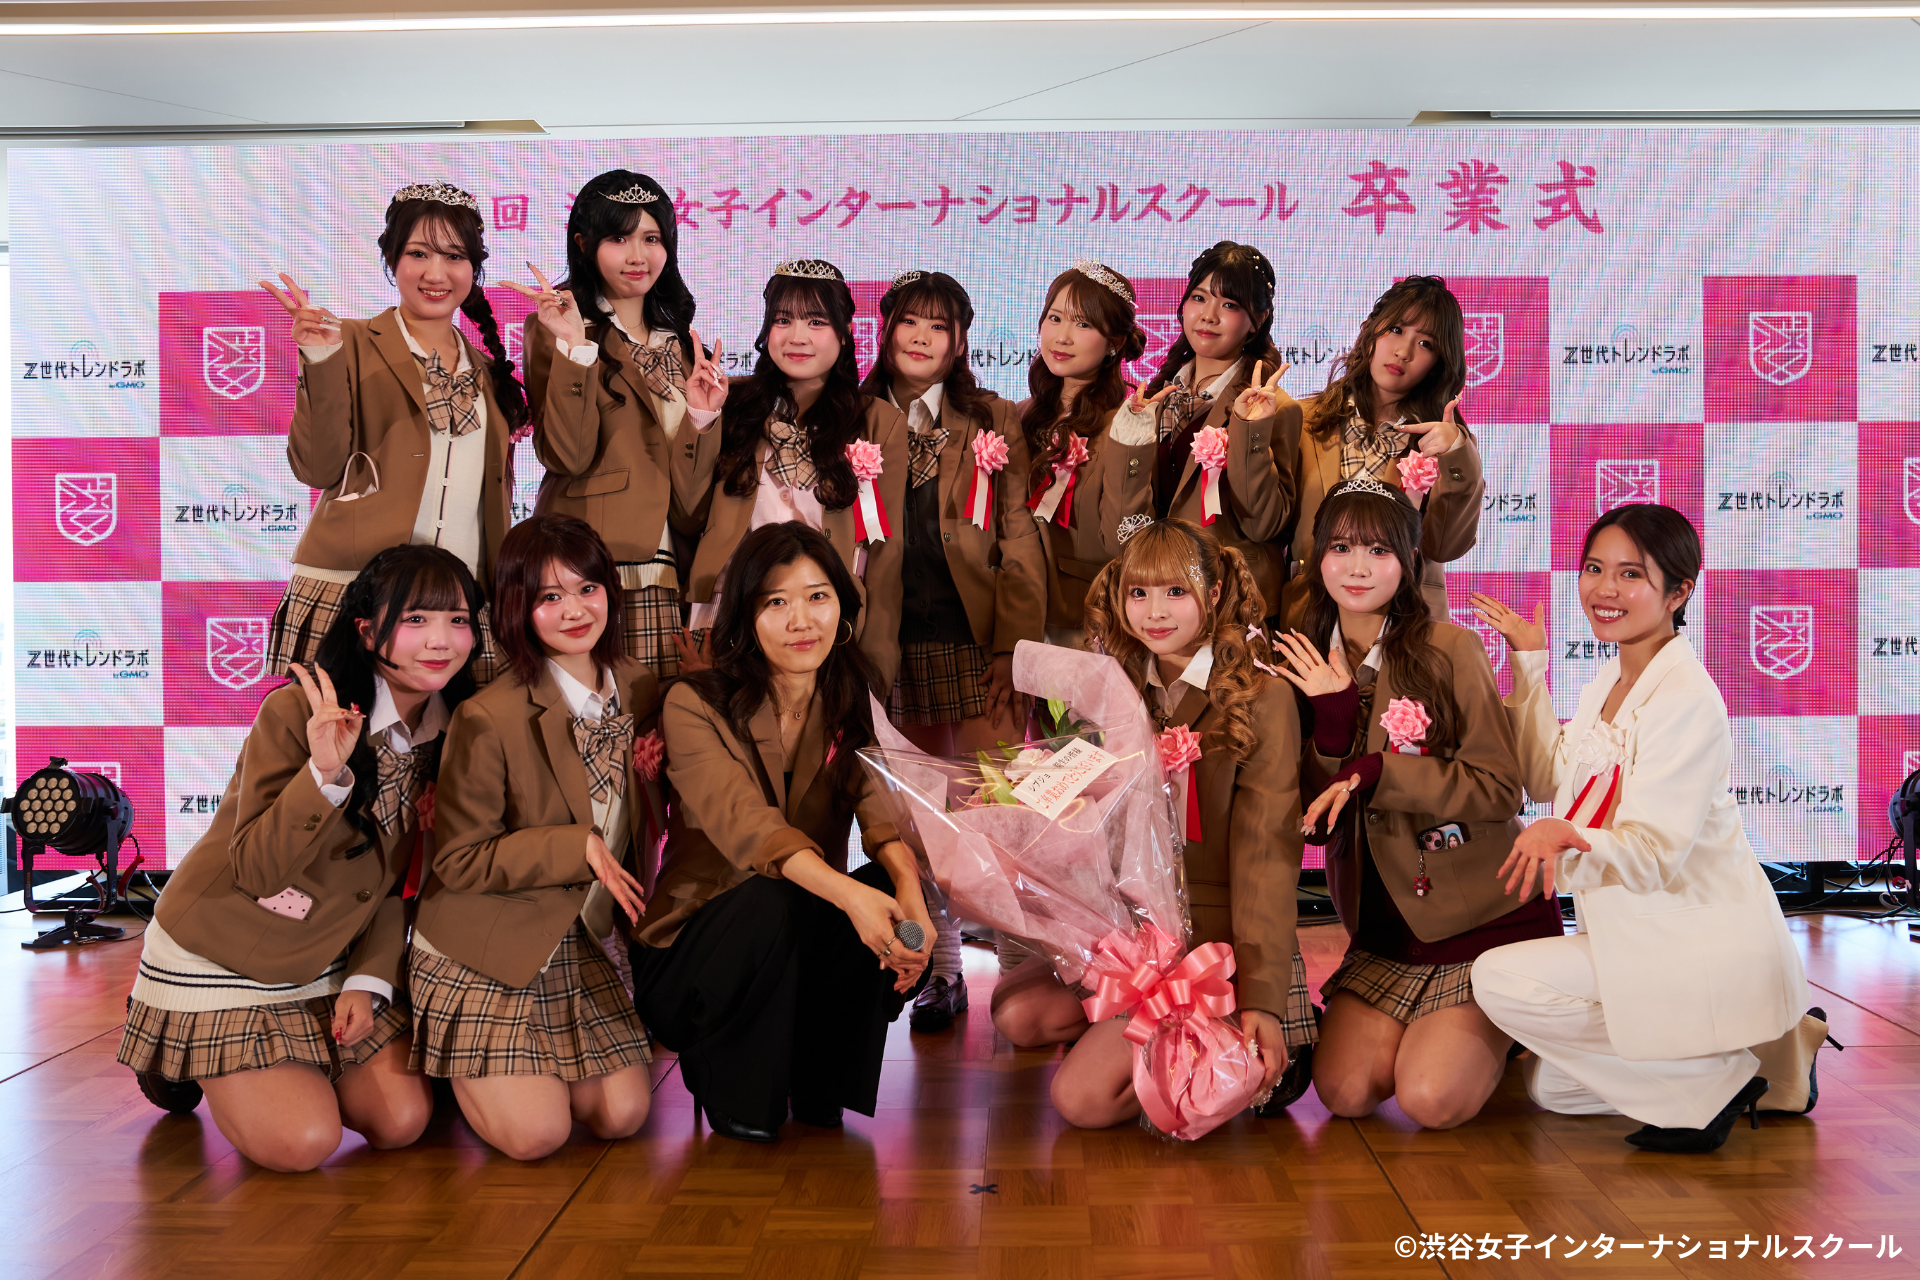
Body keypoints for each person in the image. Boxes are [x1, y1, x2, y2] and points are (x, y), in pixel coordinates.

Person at [116, 544, 480, 1171]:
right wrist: (324, 773)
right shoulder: (299, 713)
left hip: (328, 951)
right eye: (415, 619)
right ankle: (176, 1051)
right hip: (229, 946)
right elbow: (257, 871)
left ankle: (286, 1066)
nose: (440, 640)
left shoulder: (455, 731)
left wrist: (367, 981)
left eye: (459, 620)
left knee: (401, 1122)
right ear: (366, 630)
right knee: (303, 1143)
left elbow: (399, 885)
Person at [1469, 504, 1813, 1152]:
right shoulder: (1612, 677)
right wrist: (1531, 664)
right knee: (1554, 1090)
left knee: (1496, 978)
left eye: (1631, 574)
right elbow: (1546, 778)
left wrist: (1566, 837)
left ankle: (1719, 1081)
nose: (1605, 589)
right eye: (1594, 568)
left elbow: (1652, 855)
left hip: (1689, 940)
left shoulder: (1686, 700)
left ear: (1679, 592)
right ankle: (1742, 1065)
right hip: (1629, 934)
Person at [997, 518, 1316, 1126]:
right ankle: (1151, 1043)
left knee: (1080, 1102)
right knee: (1016, 1012)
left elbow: (1267, 857)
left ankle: (1243, 1047)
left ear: (1214, 593)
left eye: (1176, 591)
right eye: (1138, 593)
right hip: (1132, 934)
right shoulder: (1108, 688)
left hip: (1216, 940)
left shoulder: (1262, 696)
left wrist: (1264, 999)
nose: (1155, 612)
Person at [631, 521, 933, 1142]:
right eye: (776, 602)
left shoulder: (847, 698)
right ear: (746, 615)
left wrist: (911, 901)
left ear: (842, 607)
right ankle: (735, 1086)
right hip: (695, 950)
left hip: (793, 933)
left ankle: (820, 1080)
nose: (802, 621)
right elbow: (748, 825)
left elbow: (879, 813)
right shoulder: (694, 702)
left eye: (818, 596)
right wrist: (854, 901)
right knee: (779, 897)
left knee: (884, 888)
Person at [1274, 476, 1557, 1130]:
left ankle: (1512, 1025)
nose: (1358, 567)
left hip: (1481, 915)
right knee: (1344, 1093)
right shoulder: (1297, 654)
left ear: (1409, 563)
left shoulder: (1449, 648)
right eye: (1342, 547)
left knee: (1430, 1098)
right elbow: (1308, 818)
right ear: (1317, 556)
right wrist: (1333, 726)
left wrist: (1381, 770)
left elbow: (1498, 787)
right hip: (1384, 926)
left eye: (1379, 550)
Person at [413, 515, 657, 1161]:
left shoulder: (641, 686)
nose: (574, 610)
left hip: (577, 937)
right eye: (549, 596)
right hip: (490, 939)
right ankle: (454, 1059)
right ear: (518, 608)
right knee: (536, 1136)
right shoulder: (487, 715)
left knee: (622, 1114)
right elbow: (459, 860)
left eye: (587, 588)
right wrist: (576, 845)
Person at [857, 269, 1048, 1033]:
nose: (921, 337)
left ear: (961, 339)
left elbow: (1019, 534)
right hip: (890, 650)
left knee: (995, 816)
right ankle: (942, 972)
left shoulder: (991, 417)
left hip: (975, 647)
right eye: (909, 321)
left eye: (939, 325)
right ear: (886, 331)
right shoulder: (856, 417)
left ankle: (1023, 973)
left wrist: (1014, 651)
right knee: (916, 825)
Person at [260, 182, 526, 683]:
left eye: (454, 256)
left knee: (457, 735)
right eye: (418, 253)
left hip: (458, 602)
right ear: (391, 258)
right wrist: (320, 358)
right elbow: (316, 468)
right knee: (341, 729)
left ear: (474, 267)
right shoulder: (348, 340)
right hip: (356, 589)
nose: (436, 273)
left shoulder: (489, 371)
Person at [510, 167, 730, 677]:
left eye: (652, 238)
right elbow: (566, 455)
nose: (638, 256)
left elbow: (691, 506)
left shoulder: (683, 344)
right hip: (589, 568)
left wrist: (703, 418)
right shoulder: (558, 327)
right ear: (584, 244)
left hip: (669, 572)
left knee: (661, 718)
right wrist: (575, 347)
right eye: (619, 238)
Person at [684, 260, 907, 692]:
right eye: (783, 320)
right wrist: (702, 417)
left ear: (845, 333)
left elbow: (886, 555)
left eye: (816, 321)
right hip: (729, 610)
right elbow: (688, 513)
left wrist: (876, 659)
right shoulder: (732, 402)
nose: (797, 336)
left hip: (825, 620)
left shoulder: (878, 421)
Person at [1281, 275, 1481, 627]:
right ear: (1370, 330)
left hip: (1407, 627)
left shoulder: (1444, 442)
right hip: (1311, 620)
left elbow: (1444, 547)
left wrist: (1455, 453)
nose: (1404, 351)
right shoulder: (1303, 420)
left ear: (1439, 363)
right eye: (1396, 330)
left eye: (1426, 344)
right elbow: (1266, 524)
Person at [1119, 242, 1298, 615]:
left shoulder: (1276, 408)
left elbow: (1264, 525)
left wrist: (1250, 429)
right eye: (1199, 298)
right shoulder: (1156, 396)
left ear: (1258, 319)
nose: (1209, 316)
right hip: (1156, 602)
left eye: (1230, 305)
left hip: (1230, 604)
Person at [1015, 261, 1151, 649]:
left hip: (1087, 628)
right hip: (1013, 616)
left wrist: (1132, 440)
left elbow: (1124, 544)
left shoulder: (1125, 426)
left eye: (1083, 324)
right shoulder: (1018, 415)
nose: (1062, 337)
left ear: (1115, 342)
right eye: (1055, 318)